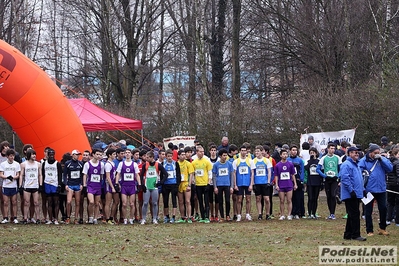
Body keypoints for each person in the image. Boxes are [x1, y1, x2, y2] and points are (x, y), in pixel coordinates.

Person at [359, 144, 392, 236]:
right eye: (375, 153)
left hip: (381, 189)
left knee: (383, 208)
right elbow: (359, 172)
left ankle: (382, 228)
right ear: (370, 152)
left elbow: (390, 168)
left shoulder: (382, 160)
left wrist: (381, 159)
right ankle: (369, 230)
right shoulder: (363, 161)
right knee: (368, 210)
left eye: (379, 152)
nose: (377, 154)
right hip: (369, 190)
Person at [339, 146, 366, 241]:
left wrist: (363, 189)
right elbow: (345, 179)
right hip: (350, 194)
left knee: (351, 214)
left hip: (356, 193)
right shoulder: (346, 165)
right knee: (354, 214)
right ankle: (355, 234)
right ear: (349, 153)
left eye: (357, 153)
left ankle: (348, 234)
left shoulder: (356, 164)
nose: (357, 154)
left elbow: (359, 179)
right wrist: (351, 191)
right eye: (355, 152)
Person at [140, 151, 168, 225]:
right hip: (147, 186)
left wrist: (160, 183)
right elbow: (141, 175)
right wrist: (142, 184)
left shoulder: (158, 165)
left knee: (155, 203)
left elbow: (166, 174)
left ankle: (155, 218)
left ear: (152, 157)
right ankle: (143, 219)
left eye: (148, 157)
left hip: (155, 187)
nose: (146, 158)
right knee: (145, 203)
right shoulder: (145, 165)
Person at [115, 148, 141, 225]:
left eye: (128, 152)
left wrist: (139, 184)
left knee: (132, 204)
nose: (127, 154)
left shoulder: (134, 164)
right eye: (125, 153)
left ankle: (131, 218)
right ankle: (125, 218)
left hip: (132, 186)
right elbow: (118, 174)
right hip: (124, 186)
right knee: (124, 204)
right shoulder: (121, 164)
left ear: (131, 154)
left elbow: (137, 175)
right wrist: (116, 183)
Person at [316, 143, 342, 219]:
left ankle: (333, 213)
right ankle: (330, 213)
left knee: (333, 195)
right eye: (331, 148)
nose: (332, 150)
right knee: (329, 196)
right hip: (327, 180)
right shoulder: (323, 158)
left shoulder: (337, 157)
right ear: (327, 149)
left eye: (334, 148)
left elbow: (341, 168)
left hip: (334, 179)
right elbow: (318, 169)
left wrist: (338, 176)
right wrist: (324, 176)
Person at [232, 145, 255, 222]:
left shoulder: (250, 161)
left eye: (245, 150)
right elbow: (234, 173)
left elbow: (252, 173)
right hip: (239, 183)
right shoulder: (236, 161)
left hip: (247, 183)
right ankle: (239, 215)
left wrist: (251, 184)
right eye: (242, 150)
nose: (243, 152)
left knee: (248, 199)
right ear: (239, 151)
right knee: (239, 199)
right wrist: (235, 184)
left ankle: (248, 214)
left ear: (247, 152)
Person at [20, 149, 42, 224]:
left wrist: (41, 184)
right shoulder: (23, 164)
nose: (34, 156)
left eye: (35, 154)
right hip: (27, 185)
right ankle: (25, 218)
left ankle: (38, 218)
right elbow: (21, 175)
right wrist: (20, 185)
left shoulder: (38, 164)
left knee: (36, 202)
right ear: (29, 155)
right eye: (33, 154)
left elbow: (40, 175)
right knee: (26, 202)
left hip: (35, 185)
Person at [83, 149, 105, 224]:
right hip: (90, 186)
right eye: (97, 154)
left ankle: (95, 218)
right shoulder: (87, 164)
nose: (99, 156)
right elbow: (85, 175)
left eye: (100, 154)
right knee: (91, 202)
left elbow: (101, 176)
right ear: (93, 155)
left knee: (97, 203)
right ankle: (90, 217)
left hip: (98, 186)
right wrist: (84, 185)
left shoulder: (101, 164)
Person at [192, 145, 213, 223]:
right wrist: (193, 182)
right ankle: (202, 216)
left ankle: (207, 216)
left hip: (205, 184)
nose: (202, 153)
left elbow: (210, 173)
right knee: (200, 201)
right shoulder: (194, 162)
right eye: (200, 152)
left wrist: (208, 183)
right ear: (197, 152)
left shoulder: (207, 161)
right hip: (198, 185)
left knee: (206, 200)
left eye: (203, 151)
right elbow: (193, 173)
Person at [274, 149, 297, 220]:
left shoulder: (290, 164)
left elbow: (293, 174)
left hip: (289, 184)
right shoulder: (278, 165)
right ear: (280, 155)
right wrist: (276, 185)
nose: (285, 155)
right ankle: (282, 214)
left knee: (289, 200)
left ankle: (289, 214)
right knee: (282, 200)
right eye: (283, 154)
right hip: (281, 185)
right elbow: (276, 176)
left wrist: (295, 184)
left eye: (286, 154)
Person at [42, 149, 63, 224]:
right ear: (47, 155)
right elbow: (43, 174)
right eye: (50, 154)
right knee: (49, 202)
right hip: (47, 184)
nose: (51, 156)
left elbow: (60, 174)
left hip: (55, 184)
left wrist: (59, 184)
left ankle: (56, 219)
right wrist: (42, 185)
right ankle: (50, 219)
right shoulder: (44, 164)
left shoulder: (57, 164)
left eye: (52, 154)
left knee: (56, 202)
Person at [212, 149, 234, 222]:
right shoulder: (216, 165)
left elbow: (231, 175)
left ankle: (227, 215)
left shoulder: (229, 164)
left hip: (227, 184)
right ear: (220, 156)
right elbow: (214, 176)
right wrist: (215, 187)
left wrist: (232, 186)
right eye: (224, 155)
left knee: (227, 200)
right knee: (220, 201)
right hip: (219, 185)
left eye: (226, 155)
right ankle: (221, 216)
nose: (225, 157)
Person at [0, 149, 20, 224]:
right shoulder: (3, 164)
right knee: (5, 202)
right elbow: (1, 174)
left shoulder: (17, 164)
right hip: (5, 186)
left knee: (14, 202)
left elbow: (18, 175)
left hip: (13, 185)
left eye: (13, 156)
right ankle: (5, 217)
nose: (12, 157)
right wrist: (7, 177)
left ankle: (14, 217)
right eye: (11, 156)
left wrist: (14, 177)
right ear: (7, 156)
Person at [253, 145, 272, 220]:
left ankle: (267, 214)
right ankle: (260, 214)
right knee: (258, 198)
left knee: (267, 199)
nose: (256, 152)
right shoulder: (253, 161)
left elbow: (269, 171)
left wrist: (268, 182)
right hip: (257, 182)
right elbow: (252, 173)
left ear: (261, 151)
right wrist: (253, 183)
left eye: (258, 151)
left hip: (264, 182)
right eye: (256, 151)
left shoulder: (266, 160)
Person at [162, 149, 181, 223]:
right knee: (165, 201)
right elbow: (161, 174)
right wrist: (162, 183)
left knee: (174, 201)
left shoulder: (175, 163)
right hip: (165, 185)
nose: (169, 158)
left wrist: (177, 184)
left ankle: (173, 217)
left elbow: (178, 174)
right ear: (166, 157)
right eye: (168, 156)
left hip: (173, 184)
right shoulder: (163, 163)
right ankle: (166, 216)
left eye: (171, 156)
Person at [176, 150, 194, 223]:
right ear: (178, 156)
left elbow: (191, 174)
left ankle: (189, 217)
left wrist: (189, 185)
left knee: (187, 201)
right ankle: (182, 217)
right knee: (180, 201)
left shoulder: (188, 164)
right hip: (179, 184)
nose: (184, 156)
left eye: (184, 154)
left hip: (186, 183)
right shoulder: (176, 163)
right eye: (182, 154)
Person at [287, 144, 305, 219]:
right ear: (290, 151)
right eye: (293, 150)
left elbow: (302, 170)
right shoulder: (287, 160)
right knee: (290, 197)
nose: (294, 152)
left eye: (295, 150)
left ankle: (297, 212)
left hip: (297, 180)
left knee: (298, 197)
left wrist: (301, 179)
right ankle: (291, 212)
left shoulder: (300, 160)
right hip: (289, 180)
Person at [304, 147, 322, 219]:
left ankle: (314, 213)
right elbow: (306, 168)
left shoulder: (319, 161)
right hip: (310, 182)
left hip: (317, 181)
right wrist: (311, 160)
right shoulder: (307, 161)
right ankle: (309, 212)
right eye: (311, 153)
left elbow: (321, 170)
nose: (312, 154)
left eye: (313, 152)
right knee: (310, 198)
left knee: (315, 198)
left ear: (316, 153)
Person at [104, 148, 120, 224]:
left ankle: (111, 216)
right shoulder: (107, 164)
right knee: (108, 202)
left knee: (116, 201)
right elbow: (108, 177)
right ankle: (107, 219)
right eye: (113, 154)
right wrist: (112, 187)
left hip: (114, 183)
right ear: (109, 155)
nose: (115, 155)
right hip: (109, 185)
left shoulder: (113, 163)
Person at [387, 148, 399, 226]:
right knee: (398, 203)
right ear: (395, 154)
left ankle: (388, 218)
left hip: (389, 184)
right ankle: (397, 221)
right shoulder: (397, 163)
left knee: (390, 202)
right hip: (397, 185)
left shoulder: (388, 161)